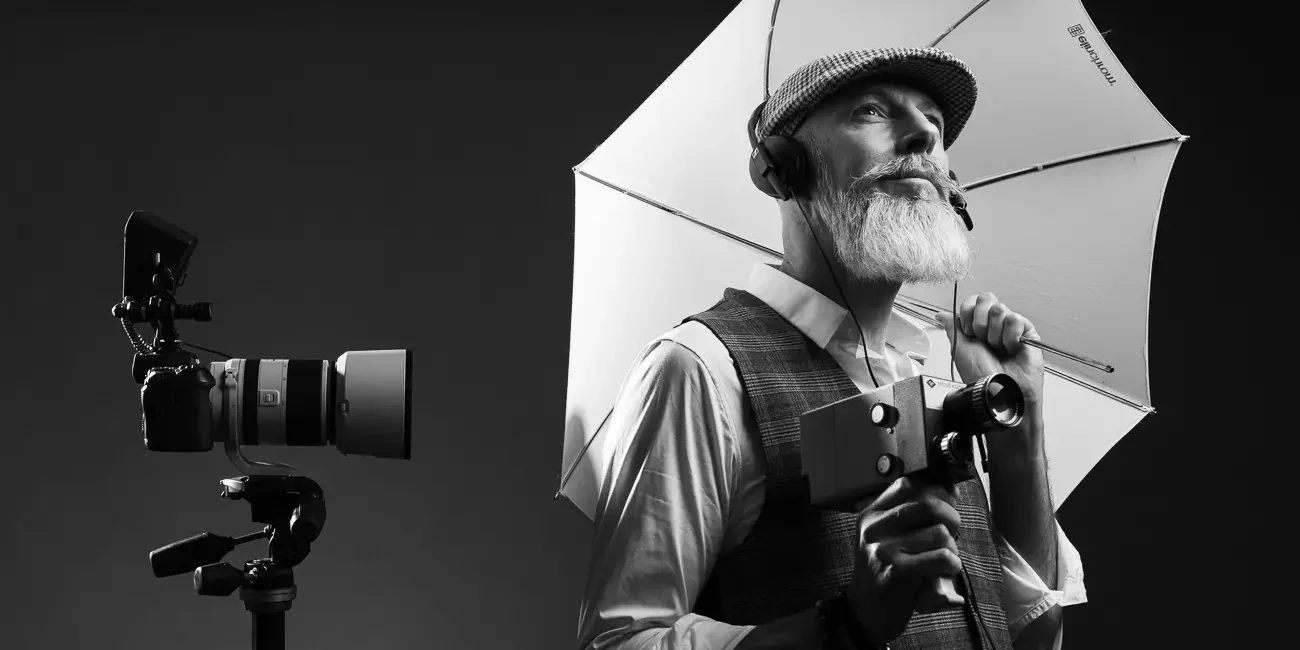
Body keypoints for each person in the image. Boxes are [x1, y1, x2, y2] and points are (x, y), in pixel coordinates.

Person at [576, 47, 1086, 650]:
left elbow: (1033, 639)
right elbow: (618, 643)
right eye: (873, 111)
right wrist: (845, 625)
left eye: (936, 125)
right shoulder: (700, 370)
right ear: (782, 169)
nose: (924, 131)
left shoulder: (948, 382)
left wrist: (1019, 437)